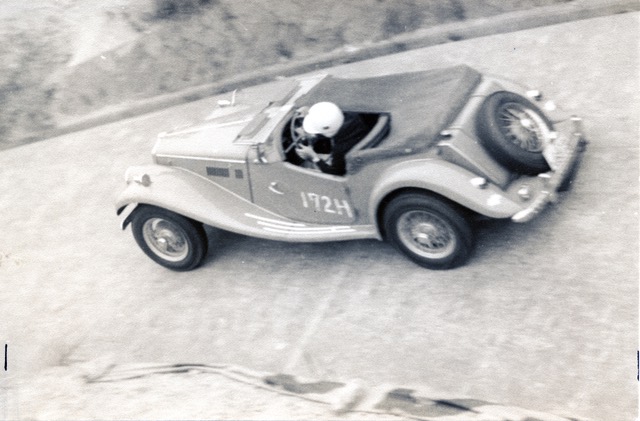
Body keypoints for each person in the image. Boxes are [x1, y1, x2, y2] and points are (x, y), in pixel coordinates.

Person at [295, 102, 369, 176]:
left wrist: (314, 157)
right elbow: (331, 128)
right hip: (362, 145)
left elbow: (336, 172)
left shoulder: (339, 149)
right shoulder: (352, 115)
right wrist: (311, 113)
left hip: (345, 166)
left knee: (305, 165)